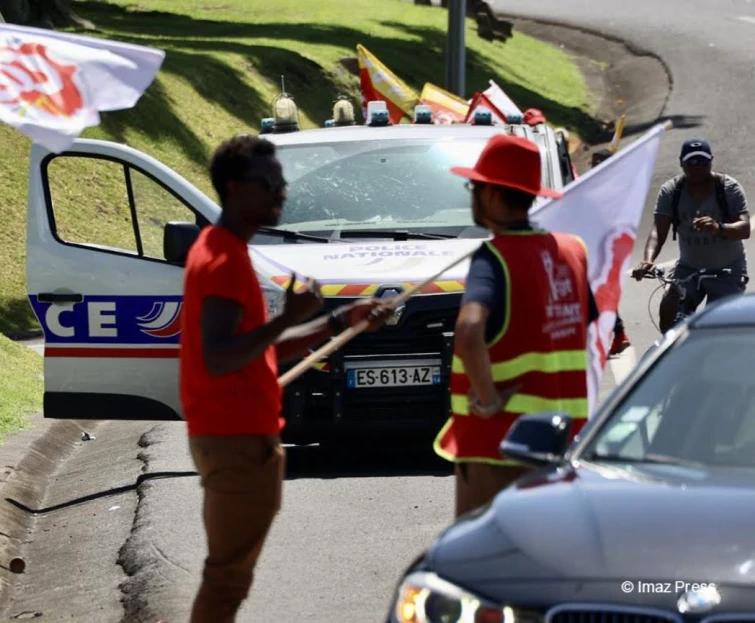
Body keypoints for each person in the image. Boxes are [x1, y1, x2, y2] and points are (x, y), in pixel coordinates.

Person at [180, 135, 392, 623]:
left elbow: (257, 352)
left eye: (282, 183)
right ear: (235, 189)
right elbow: (219, 357)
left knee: (229, 577)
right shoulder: (223, 258)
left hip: (242, 439)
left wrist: (339, 321)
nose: (281, 193)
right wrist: (289, 314)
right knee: (225, 579)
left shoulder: (227, 250)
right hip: (234, 441)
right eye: (269, 184)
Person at [434, 134, 598, 519]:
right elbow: (585, 320)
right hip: (561, 441)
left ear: (491, 194)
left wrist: (488, 399)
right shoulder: (572, 251)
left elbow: (470, 330)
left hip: (499, 446)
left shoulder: (493, 258)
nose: (471, 195)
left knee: (482, 561)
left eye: (474, 186)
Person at [632, 138, 750, 332]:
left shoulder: (728, 188)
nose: (698, 167)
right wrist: (648, 260)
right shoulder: (671, 191)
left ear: (711, 161)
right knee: (668, 310)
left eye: (703, 162)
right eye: (692, 162)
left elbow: (744, 228)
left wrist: (718, 227)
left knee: (720, 325)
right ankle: (674, 355)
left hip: (727, 271)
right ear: (681, 163)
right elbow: (657, 231)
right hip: (689, 270)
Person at [590, 148, 631, 355]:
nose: (594, 167)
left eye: (599, 163)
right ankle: (618, 334)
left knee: (597, 292)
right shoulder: (595, 186)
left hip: (607, 248)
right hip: (596, 246)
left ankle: (616, 334)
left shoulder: (615, 188)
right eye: (593, 163)